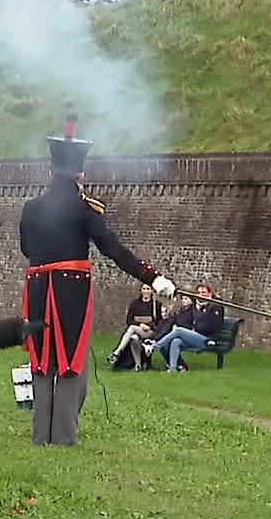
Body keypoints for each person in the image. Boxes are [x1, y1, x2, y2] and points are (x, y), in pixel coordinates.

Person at [18, 112, 175, 445]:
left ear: (51, 171)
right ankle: (64, 435)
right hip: (70, 292)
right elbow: (113, 249)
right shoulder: (85, 209)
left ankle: (41, 434)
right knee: (71, 360)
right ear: (81, 174)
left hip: (37, 290)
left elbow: (26, 248)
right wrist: (153, 277)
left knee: (43, 359)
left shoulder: (31, 207)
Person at [107, 283, 162, 371]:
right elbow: (129, 320)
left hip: (150, 332)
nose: (145, 291)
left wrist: (149, 326)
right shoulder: (135, 303)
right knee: (134, 338)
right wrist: (140, 324)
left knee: (132, 328)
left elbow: (159, 321)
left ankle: (117, 352)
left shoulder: (156, 304)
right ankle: (138, 364)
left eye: (148, 289)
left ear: (152, 291)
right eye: (144, 289)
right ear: (141, 290)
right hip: (137, 330)